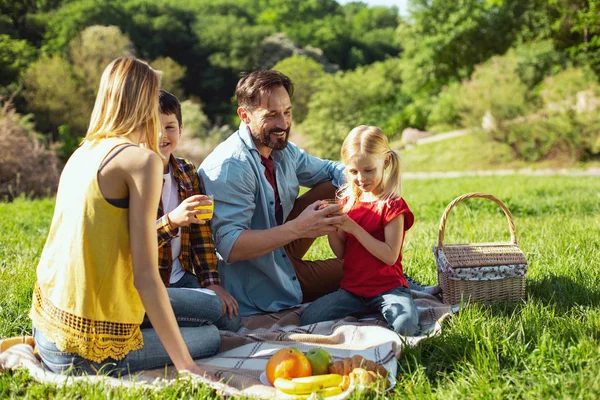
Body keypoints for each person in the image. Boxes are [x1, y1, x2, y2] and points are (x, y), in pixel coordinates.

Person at [29, 57, 220, 376]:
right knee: (210, 336)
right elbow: (145, 277)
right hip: (79, 351)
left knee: (210, 305)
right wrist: (187, 367)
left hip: (48, 324)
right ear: (145, 102)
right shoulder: (142, 162)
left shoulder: (84, 151)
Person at [199, 70, 348, 316]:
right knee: (363, 270)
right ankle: (385, 274)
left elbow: (332, 170)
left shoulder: (281, 149)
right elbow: (229, 247)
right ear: (244, 116)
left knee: (335, 185)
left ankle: (371, 255)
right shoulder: (230, 167)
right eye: (272, 115)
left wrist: (369, 183)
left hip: (279, 249)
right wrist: (300, 228)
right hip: (255, 278)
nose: (283, 124)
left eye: (287, 112)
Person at [300, 126, 419, 336]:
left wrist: (353, 228)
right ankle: (366, 310)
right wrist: (331, 226)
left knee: (406, 326)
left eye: (368, 170)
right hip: (353, 290)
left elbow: (390, 256)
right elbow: (341, 253)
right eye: (353, 171)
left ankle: (403, 293)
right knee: (308, 318)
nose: (361, 178)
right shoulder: (349, 202)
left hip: (388, 289)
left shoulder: (392, 205)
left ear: (386, 162)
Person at [155, 89, 240, 328]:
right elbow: (131, 245)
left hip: (180, 279)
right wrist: (171, 221)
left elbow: (201, 234)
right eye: (154, 126)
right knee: (209, 313)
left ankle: (184, 323)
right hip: (149, 284)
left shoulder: (186, 172)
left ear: (180, 131)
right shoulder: (134, 176)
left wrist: (210, 282)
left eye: (170, 127)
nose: (162, 134)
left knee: (230, 320)